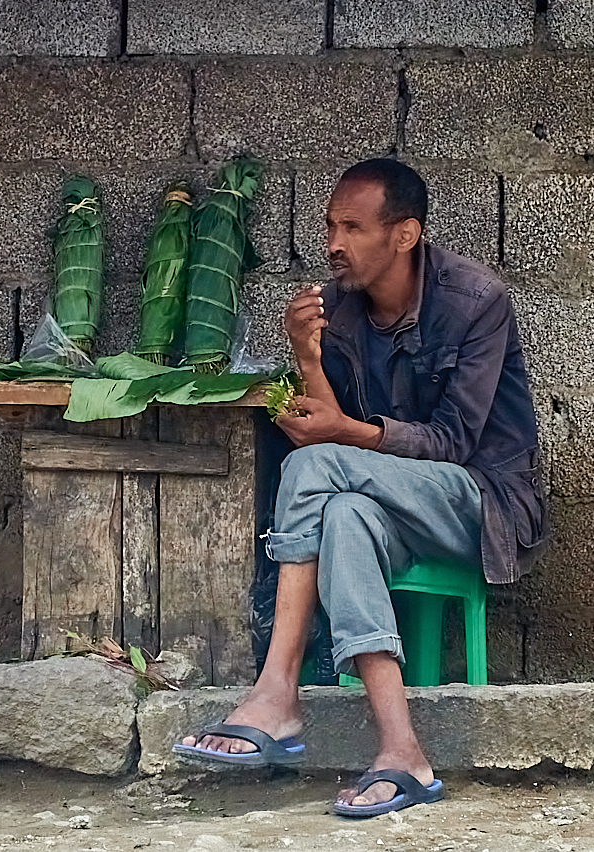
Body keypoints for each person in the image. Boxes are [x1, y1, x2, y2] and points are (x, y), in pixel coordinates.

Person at [174, 159, 547, 817]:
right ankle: (403, 751)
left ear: (404, 235)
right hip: (384, 502)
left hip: (480, 503)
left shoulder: (475, 302)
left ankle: (276, 692)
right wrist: (308, 360)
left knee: (319, 474)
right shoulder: (339, 309)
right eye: (329, 225)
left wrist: (342, 431)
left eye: (351, 227)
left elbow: (453, 442)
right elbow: (332, 437)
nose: (333, 243)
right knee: (342, 513)